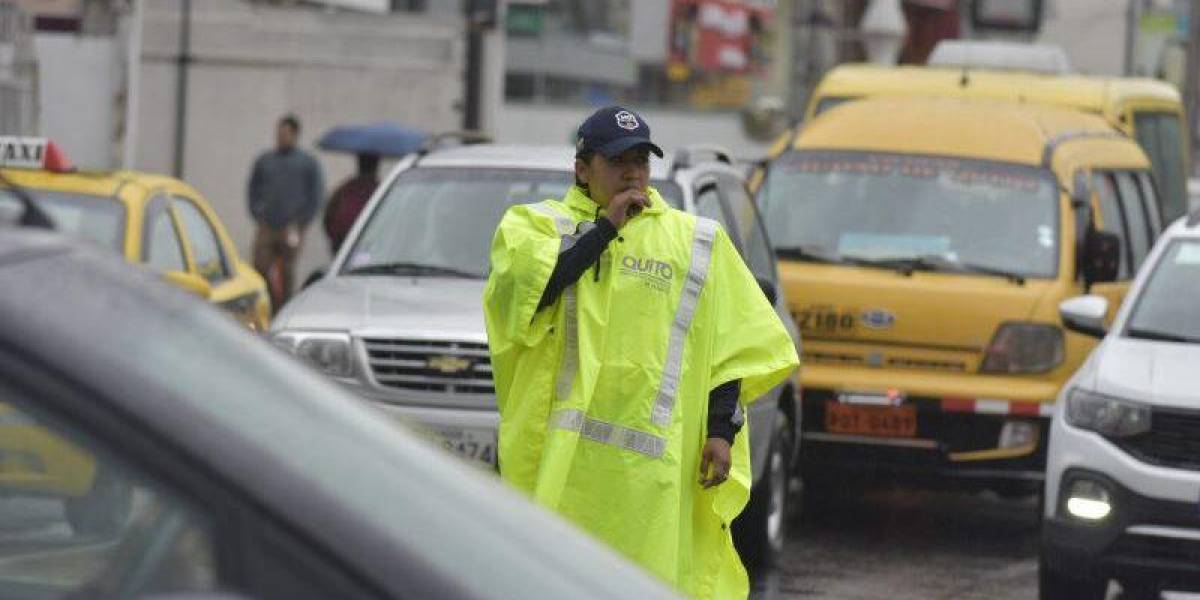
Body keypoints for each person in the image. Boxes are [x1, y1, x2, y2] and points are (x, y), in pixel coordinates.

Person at [483, 106, 798, 599]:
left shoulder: (694, 240)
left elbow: (726, 343)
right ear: (582, 170)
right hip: (559, 465)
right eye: (617, 162)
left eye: (641, 161)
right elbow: (532, 293)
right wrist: (606, 229)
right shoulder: (533, 227)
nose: (633, 173)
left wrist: (720, 431)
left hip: (652, 476)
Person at [247, 114, 324, 310]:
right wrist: (257, 212)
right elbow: (253, 188)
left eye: (286, 134)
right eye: (279, 133)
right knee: (260, 266)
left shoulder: (307, 163)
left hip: (292, 227)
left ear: (295, 135)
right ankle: (266, 304)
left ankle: (284, 307)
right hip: (267, 225)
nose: (281, 137)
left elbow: (316, 195)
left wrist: (303, 222)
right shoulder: (265, 161)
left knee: (287, 270)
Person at [322, 152, 380, 255]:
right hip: (372, 248)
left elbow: (328, 217)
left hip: (343, 245)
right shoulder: (381, 191)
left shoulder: (344, 189)